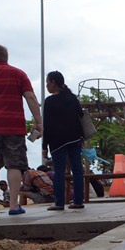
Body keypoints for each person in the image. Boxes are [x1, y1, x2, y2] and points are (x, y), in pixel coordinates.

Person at [0, 43, 43, 215]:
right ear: (5, 58)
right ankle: (14, 206)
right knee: (14, 165)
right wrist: (38, 122)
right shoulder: (18, 74)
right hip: (13, 126)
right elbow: (30, 97)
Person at [42, 71, 85, 210]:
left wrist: (44, 146)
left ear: (53, 82)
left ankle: (59, 203)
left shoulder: (49, 101)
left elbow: (47, 125)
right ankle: (78, 201)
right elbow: (81, 115)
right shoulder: (72, 98)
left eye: (48, 82)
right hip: (75, 138)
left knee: (59, 172)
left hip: (57, 141)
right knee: (77, 169)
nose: (47, 85)